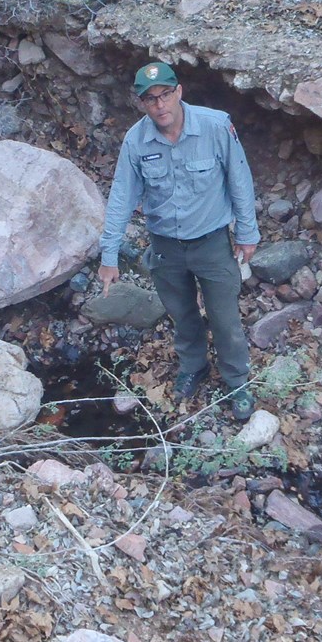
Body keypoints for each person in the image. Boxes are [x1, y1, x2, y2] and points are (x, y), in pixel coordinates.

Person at [98, 61, 260, 420]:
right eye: (151, 99)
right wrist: (109, 255)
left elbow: (240, 179)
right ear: (142, 103)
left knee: (224, 317)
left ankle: (236, 380)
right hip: (166, 246)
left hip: (212, 242)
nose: (160, 105)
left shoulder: (215, 126)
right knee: (182, 313)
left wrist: (248, 232)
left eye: (166, 94)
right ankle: (194, 366)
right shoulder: (136, 141)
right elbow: (121, 197)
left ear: (179, 92)